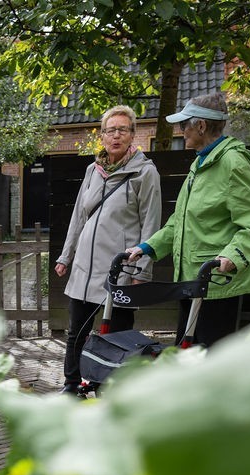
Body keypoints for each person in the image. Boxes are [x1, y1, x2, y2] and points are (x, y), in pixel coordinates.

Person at [127, 92, 250, 347]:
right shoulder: (201, 164)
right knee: (187, 355)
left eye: (184, 124)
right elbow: (180, 221)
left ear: (201, 125)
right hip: (192, 280)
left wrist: (232, 256)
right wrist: (148, 248)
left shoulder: (232, 163)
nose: (180, 129)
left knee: (210, 358)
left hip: (217, 282)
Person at [54, 105, 162, 393]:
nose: (116, 135)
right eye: (110, 130)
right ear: (101, 136)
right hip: (84, 271)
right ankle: (71, 385)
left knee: (117, 335)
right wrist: (66, 256)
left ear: (133, 134)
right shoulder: (92, 170)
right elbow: (79, 216)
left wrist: (142, 270)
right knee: (76, 332)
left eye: (123, 130)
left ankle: (110, 390)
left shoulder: (145, 172)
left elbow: (151, 224)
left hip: (119, 271)